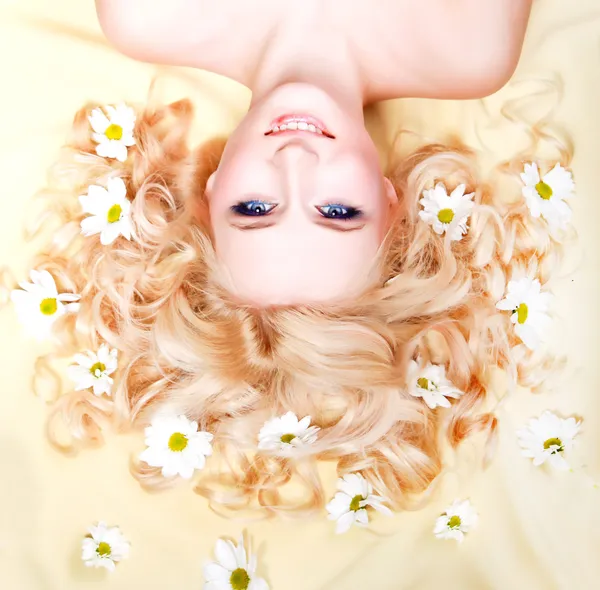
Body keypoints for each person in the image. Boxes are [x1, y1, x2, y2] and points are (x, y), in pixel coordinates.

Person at [15, 0, 571, 517]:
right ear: (389, 200)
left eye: (255, 207)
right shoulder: (469, 46)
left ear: (209, 195)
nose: (296, 161)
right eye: (338, 210)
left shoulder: (149, 14)